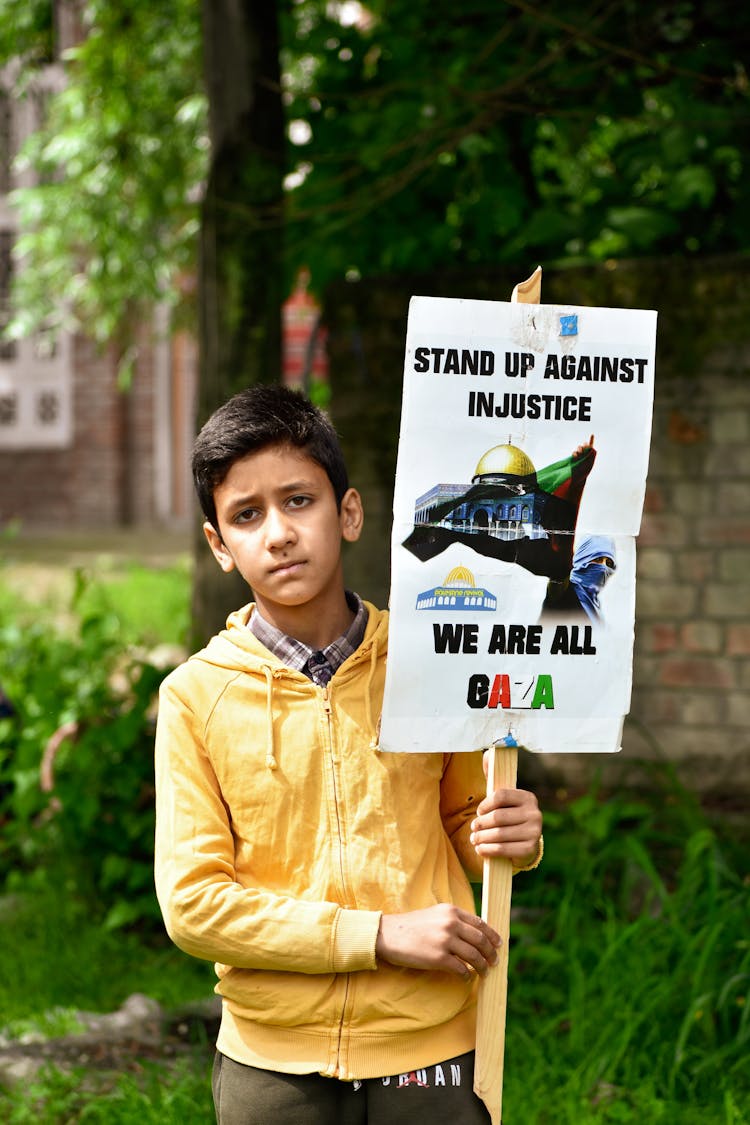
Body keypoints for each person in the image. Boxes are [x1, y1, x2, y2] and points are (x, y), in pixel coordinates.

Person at [154, 385, 543, 1125]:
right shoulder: (194, 695)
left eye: (299, 500)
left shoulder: (432, 660)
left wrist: (511, 836)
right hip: (273, 1067)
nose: (278, 533)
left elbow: (468, 822)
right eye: (247, 514)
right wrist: (378, 935)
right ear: (219, 546)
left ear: (350, 512)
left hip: (429, 1054)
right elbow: (194, 906)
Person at [540, 534, 616, 626]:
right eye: (598, 559)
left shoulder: (596, 607)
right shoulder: (564, 590)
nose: (603, 567)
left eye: (608, 563)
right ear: (582, 558)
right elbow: (559, 576)